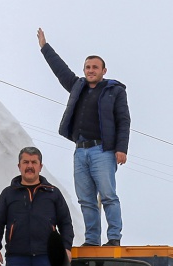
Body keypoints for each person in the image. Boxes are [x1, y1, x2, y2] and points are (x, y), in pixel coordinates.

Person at [37, 28, 130, 246]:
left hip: (103, 150)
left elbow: (124, 120)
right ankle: (92, 240)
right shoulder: (77, 86)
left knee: (108, 195)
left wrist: (121, 148)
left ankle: (114, 238)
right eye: (87, 67)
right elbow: (61, 70)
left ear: (103, 70)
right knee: (86, 199)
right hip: (80, 151)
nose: (90, 70)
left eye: (95, 67)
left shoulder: (114, 91)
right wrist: (44, 47)